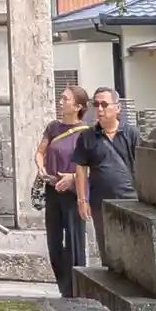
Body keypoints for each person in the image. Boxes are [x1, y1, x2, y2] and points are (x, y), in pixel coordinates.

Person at [34, 82, 90, 294]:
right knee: (54, 243)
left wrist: (73, 178)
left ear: (78, 106)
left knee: (74, 243)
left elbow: (93, 165)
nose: (60, 102)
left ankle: (77, 291)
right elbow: (40, 152)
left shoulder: (88, 133)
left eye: (65, 99)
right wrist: (40, 167)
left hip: (74, 194)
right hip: (52, 190)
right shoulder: (53, 128)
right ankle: (63, 288)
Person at [73, 87, 138, 259]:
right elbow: (80, 169)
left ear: (117, 108)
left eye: (104, 104)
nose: (99, 109)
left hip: (130, 200)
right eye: (96, 105)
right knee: (107, 250)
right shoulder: (87, 136)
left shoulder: (132, 134)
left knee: (132, 248)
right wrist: (82, 200)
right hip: (100, 203)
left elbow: (143, 166)